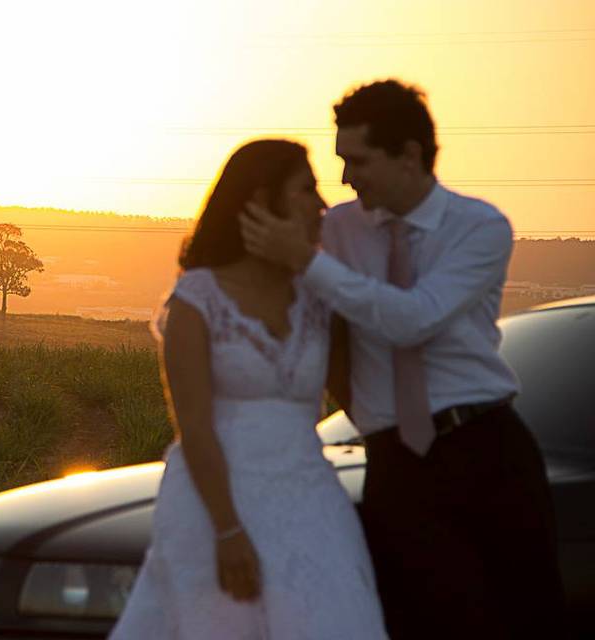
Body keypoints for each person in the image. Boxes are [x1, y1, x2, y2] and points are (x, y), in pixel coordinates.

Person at [240, 79, 567, 639]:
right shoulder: (335, 231)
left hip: (488, 450)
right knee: (420, 621)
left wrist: (306, 261)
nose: (344, 179)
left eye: (357, 160)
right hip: (398, 465)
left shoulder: (480, 227)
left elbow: (413, 317)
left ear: (410, 154)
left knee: (525, 618)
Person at [109, 139, 388, 639]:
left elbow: (359, 400)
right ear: (261, 201)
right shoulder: (196, 300)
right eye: (306, 189)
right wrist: (228, 529)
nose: (321, 205)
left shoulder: (318, 297)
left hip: (309, 496)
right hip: (217, 504)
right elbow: (193, 426)